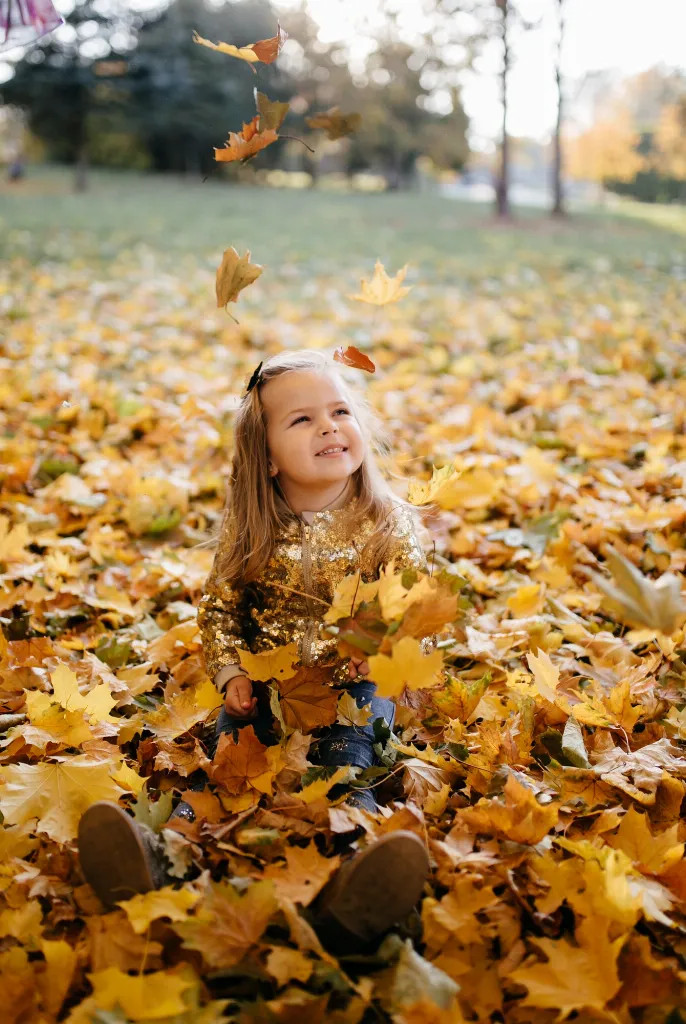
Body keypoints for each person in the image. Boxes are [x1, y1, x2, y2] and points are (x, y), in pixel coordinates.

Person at [78, 349, 432, 952]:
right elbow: (221, 609)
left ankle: (356, 876)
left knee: (346, 761)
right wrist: (230, 670)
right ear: (267, 458)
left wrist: (373, 646)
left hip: (354, 686)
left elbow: (412, 603)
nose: (328, 426)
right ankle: (158, 857)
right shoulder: (253, 531)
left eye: (340, 410)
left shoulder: (385, 524)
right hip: (264, 686)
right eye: (301, 420)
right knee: (223, 764)